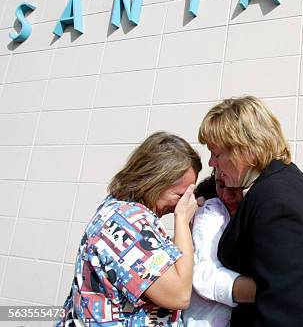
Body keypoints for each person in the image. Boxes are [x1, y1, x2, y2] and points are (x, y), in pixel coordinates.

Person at [198, 96, 303, 327]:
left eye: (216, 153)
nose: (211, 163)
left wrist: (295, 287)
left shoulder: (274, 201)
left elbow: (282, 313)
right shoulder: (286, 177)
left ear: (244, 149)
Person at [57, 132, 202, 326]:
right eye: (180, 195)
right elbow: (179, 295)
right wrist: (182, 221)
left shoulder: (120, 210)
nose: (182, 204)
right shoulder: (126, 223)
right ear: (154, 182)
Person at [183, 173, 303, 327]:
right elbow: (205, 276)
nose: (227, 195)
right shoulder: (212, 211)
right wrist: (288, 290)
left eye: (235, 189)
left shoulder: (268, 205)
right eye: (220, 185)